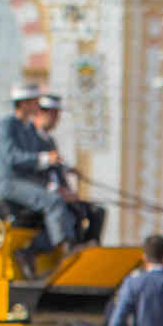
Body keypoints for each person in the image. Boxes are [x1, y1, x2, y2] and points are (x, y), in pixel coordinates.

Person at [0, 83, 76, 277]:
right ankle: (64, 251)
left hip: (30, 184)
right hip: (10, 184)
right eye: (35, 102)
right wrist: (45, 159)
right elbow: (11, 158)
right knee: (53, 202)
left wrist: (63, 168)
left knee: (68, 209)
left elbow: (43, 157)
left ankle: (35, 250)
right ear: (24, 104)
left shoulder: (28, 129)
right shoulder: (6, 126)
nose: (38, 105)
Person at [34, 94, 105, 245]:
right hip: (44, 195)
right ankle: (74, 249)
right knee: (75, 212)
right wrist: (58, 190)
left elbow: (56, 164)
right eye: (53, 115)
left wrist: (71, 169)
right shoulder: (32, 138)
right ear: (41, 113)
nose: (56, 120)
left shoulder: (49, 140)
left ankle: (90, 246)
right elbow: (34, 170)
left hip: (59, 193)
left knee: (96, 211)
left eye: (57, 115)